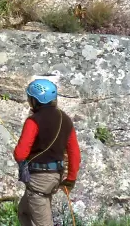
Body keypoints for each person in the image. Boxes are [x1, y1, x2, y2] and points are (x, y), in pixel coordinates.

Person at [14, 78, 80, 226]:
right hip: (56, 176)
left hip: (39, 180)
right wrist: (71, 178)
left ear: (34, 100)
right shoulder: (66, 120)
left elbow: (20, 154)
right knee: (24, 212)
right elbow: (74, 152)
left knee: (43, 222)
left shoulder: (33, 121)